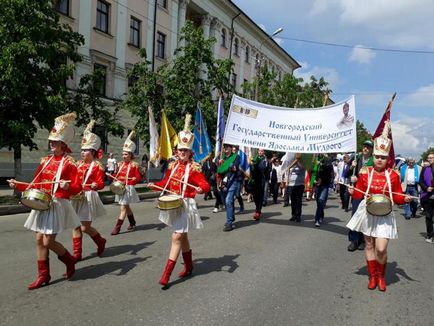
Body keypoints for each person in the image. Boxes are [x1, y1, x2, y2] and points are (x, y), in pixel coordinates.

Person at [7, 113, 81, 289]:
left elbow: (77, 187)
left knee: (48, 241)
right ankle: (44, 275)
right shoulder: (45, 161)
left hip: (57, 204)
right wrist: (17, 186)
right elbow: (36, 184)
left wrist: (65, 187)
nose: (51, 145)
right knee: (39, 240)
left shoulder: (70, 163)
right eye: (51, 142)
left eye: (55, 142)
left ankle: (70, 261)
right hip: (42, 203)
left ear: (63, 145)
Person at [346, 121, 411, 291]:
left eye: (383, 157)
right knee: (369, 245)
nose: (379, 160)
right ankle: (373, 276)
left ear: (387, 158)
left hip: (385, 215)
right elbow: (359, 194)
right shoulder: (364, 173)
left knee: (381, 249)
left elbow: (397, 197)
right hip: (367, 213)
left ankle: (381, 275)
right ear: (373, 157)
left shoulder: (393, 175)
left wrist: (405, 200)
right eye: (377, 156)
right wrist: (353, 191)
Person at [147, 114, 210, 287]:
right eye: (180, 150)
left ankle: (166, 274)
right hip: (173, 204)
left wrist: (200, 189)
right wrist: (156, 186)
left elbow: (206, 185)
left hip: (186, 205)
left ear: (191, 152)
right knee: (183, 237)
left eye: (185, 150)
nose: (182, 153)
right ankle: (189, 266)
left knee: (176, 237)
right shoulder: (172, 167)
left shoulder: (195, 169)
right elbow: (164, 183)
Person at [70, 120, 107, 262]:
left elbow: (101, 183)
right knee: (75, 225)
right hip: (76, 196)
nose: (82, 153)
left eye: (85, 150)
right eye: (82, 150)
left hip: (89, 197)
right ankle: (77, 254)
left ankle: (100, 241)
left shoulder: (97, 166)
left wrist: (96, 185)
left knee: (85, 227)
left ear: (92, 152)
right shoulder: (77, 164)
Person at [110, 131, 142, 235]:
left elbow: (138, 178)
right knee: (126, 207)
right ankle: (132, 223)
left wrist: (132, 180)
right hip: (120, 188)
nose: (124, 156)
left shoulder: (134, 165)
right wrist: (113, 178)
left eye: (126, 154)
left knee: (123, 207)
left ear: (130, 155)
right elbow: (116, 175)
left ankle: (117, 227)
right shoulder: (120, 164)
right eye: (123, 154)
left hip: (128, 188)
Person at [346, 140, 374, 251]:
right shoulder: (356, 158)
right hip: (357, 191)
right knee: (355, 215)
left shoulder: (374, 160)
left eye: (368, 147)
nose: (365, 148)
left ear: (371, 149)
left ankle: (363, 240)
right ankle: (354, 240)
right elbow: (347, 174)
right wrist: (352, 168)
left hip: (369, 192)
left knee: (366, 217)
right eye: (364, 146)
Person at [217, 143, 241, 232]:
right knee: (226, 202)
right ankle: (232, 216)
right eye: (224, 147)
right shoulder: (221, 158)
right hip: (223, 182)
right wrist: (219, 163)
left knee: (228, 201)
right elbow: (218, 170)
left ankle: (229, 222)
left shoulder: (236, 157)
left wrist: (228, 165)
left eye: (228, 147)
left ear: (231, 148)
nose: (226, 148)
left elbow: (234, 168)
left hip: (232, 181)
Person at [283, 154, 306, 222]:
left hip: (300, 184)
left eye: (297, 157)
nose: (296, 158)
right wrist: (287, 182)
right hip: (291, 184)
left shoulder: (302, 163)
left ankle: (298, 216)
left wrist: (297, 161)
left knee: (298, 200)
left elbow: (302, 167)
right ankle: (293, 215)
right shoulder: (292, 164)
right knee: (293, 200)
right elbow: (288, 171)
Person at [314, 154, 334, 227]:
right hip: (317, 184)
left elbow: (329, 168)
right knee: (318, 202)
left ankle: (317, 219)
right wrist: (313, 180)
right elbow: (311, 170)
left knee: (321, 200)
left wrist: (321, 164)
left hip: (325, 184)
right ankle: (321, 214)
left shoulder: (327, 159)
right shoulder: (315, 158)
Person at [419, 151, 434, 243]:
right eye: (428, 158)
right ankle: (430, 235)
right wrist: (426, 188)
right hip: (428, 196)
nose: (429, 159)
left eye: (431, 157)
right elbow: (420, 181)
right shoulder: (425, 169)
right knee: (429, 217)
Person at [249, 148, 268, 220]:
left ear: (264, 152)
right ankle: (257, 208)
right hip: (254, 180)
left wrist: (256, 162)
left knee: (260, 196)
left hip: (261, 180)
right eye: (259, 151)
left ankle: (258, 211)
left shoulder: (265, 160)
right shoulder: (254, 158)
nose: (260, 152)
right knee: (255, 196)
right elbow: (251, 168)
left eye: (262, 151)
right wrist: (251, 163)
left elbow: (263, 168)